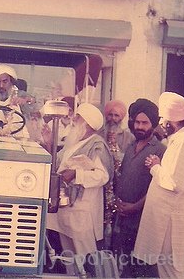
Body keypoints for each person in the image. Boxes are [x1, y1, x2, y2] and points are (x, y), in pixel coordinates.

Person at [134, 92, 184, 278]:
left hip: (171, 223)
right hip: (170, 219)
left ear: (170, 121)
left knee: (170, 270)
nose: (161, 124)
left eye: (163, 120)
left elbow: (174, 182)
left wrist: (155, 166)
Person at [46, 103, 112, 262]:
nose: (73, 119)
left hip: (82, 211)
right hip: (66, 210)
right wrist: (48, 143)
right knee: (69, 257)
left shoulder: (97, 145)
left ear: (88, 124)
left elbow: (103, 176)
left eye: (78, 117)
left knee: (86, 258)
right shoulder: (74, 142)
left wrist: (76, 174)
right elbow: (57, 165)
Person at [113, 98, 166, 278]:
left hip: (143, 220)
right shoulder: (130, 147)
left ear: (153, 124)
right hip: (124, 219)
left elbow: (158, 188)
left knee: (143, 268)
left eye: (145, 123)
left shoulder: (160, 150)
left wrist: (134, 207)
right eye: (137, 122)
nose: (140, 126)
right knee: (126, 266)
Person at [99, 100, 135, 249]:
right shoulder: (98, 133)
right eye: (110, 115)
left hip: (118, 186)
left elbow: (128, 162)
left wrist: (116, 149)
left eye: (116, 115)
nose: (113, 118)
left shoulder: (129, 137)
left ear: (122, 118)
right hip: (100, 185)